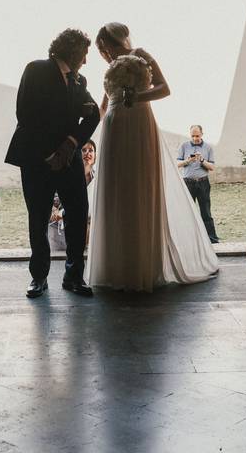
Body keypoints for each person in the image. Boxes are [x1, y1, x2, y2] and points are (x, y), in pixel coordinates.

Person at [87, 22, 219, 292]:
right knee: (116, 191)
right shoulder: (111, 67)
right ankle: (116, 264)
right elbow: (104, 104)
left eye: (106, 47)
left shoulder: (142, 55)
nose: (104, 53)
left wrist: (136, 96)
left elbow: (164, 88)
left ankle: (143, 264)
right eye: (101, 50)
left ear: (117, 41)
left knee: (139, 188)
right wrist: (85, 130)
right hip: (113, 129)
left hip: (138, 125)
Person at [5, 28, 100, 298]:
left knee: (79, 212)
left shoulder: (79, 81)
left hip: (69, 159)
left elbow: (93, 116)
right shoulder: (35, 70)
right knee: (38, 217)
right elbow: (25, 113)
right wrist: (50, 154)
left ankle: (73, 276)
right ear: (71, 50)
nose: (86, 59)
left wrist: (70, 143)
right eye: (84, 53)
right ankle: (39, 277)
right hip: (35, 158)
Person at [176, 125, 219, 243]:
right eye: (192, 136)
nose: (195, 138)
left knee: (205, 210)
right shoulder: (183, 146)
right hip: (188, 183)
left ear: (202, 134)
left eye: (197, 136)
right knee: (187, 211)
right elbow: (177, 163)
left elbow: (212, 167)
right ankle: (187, 239)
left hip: (203, 183)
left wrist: (202, 160)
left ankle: (212, 239)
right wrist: (187, 161)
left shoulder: (208, 148)